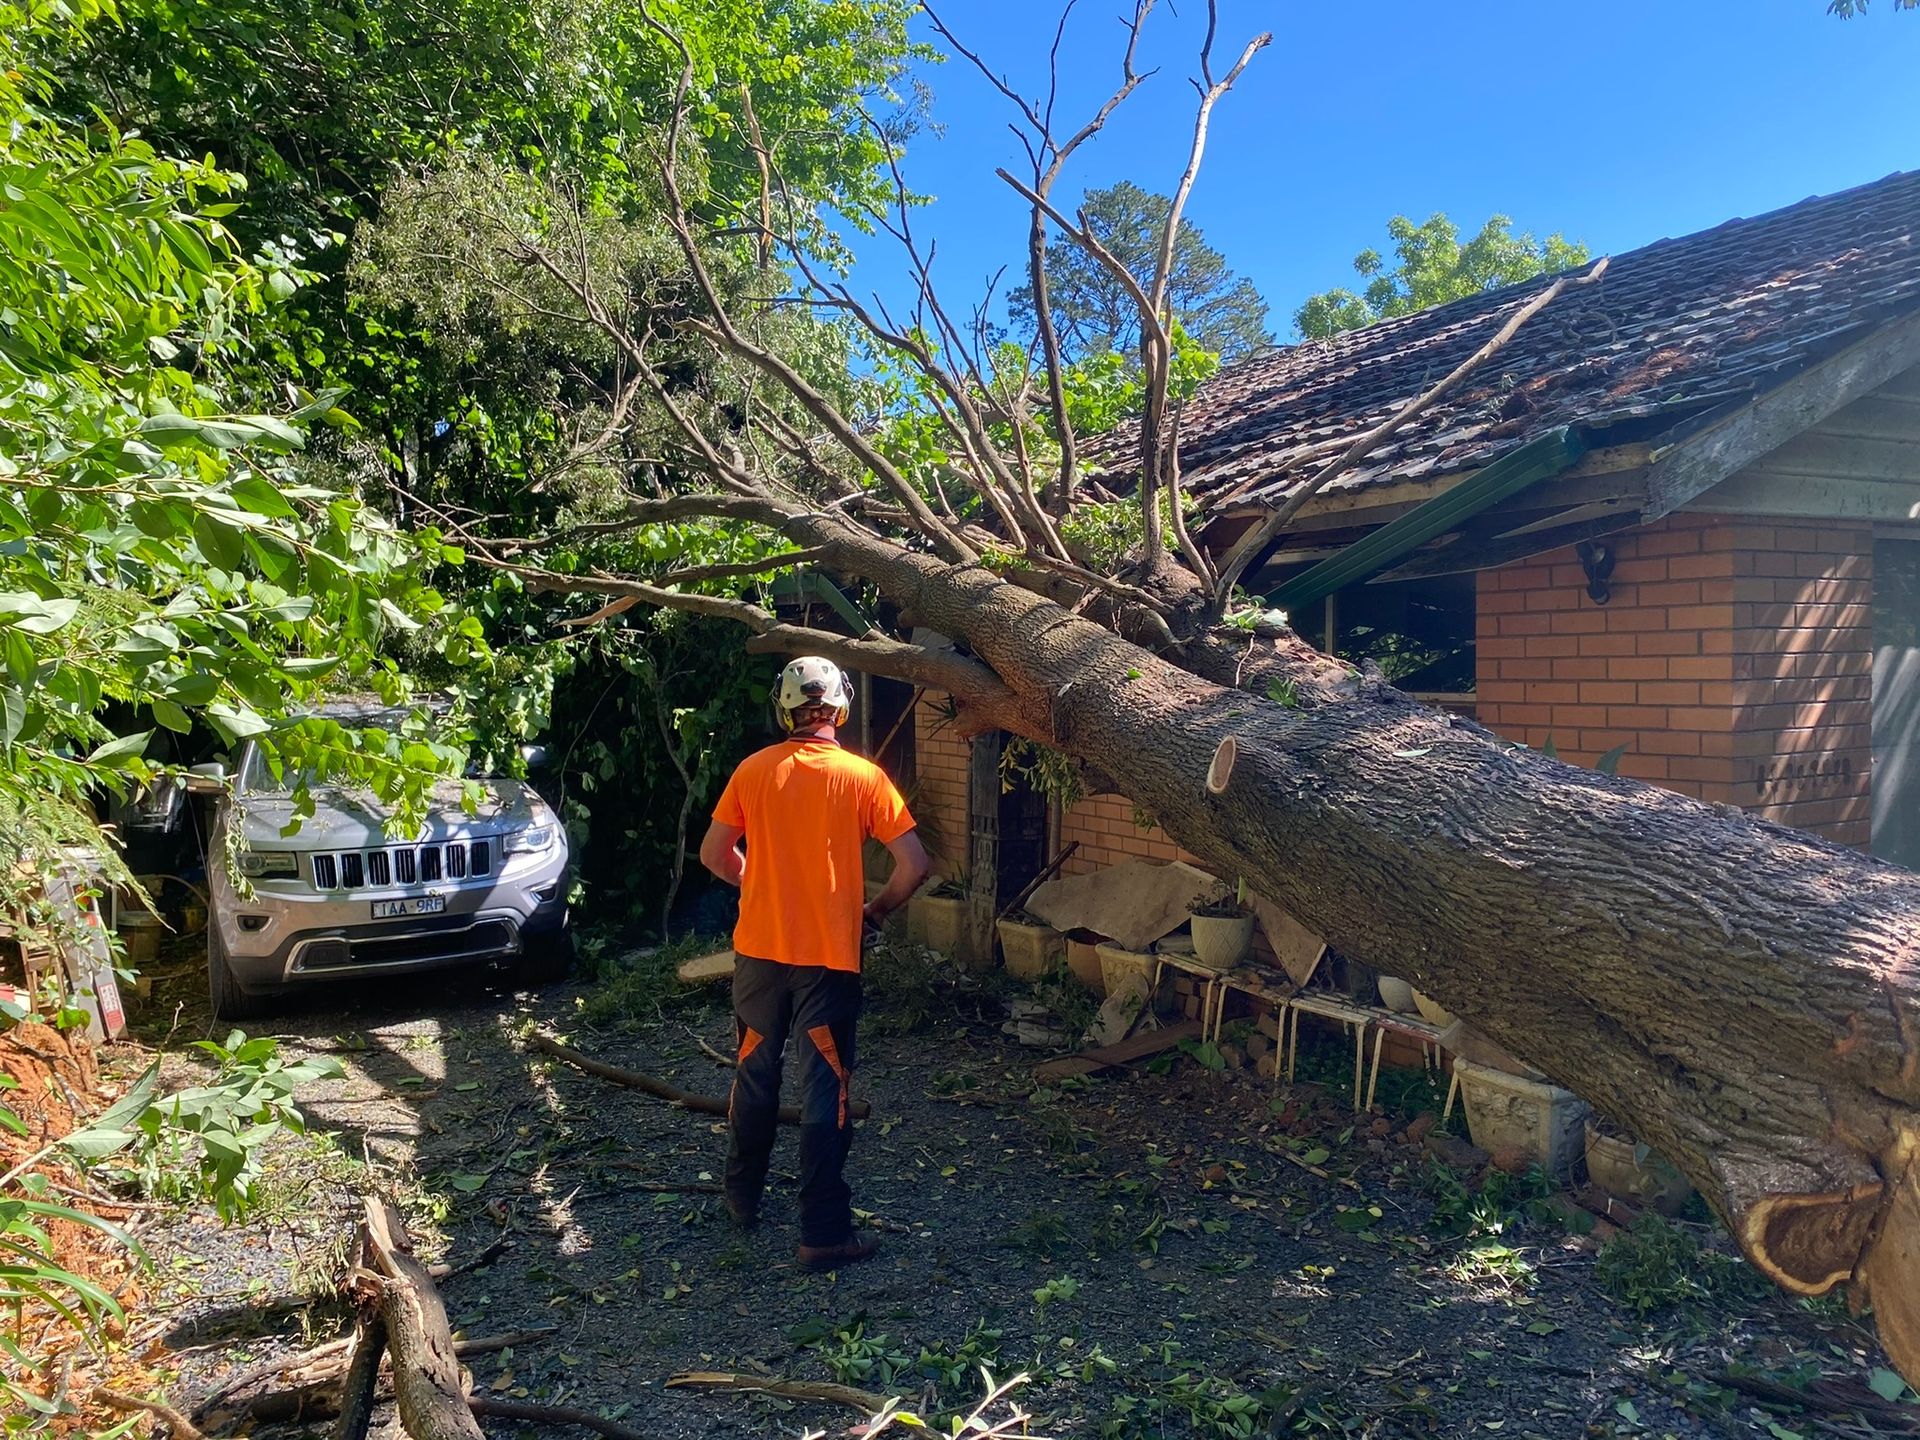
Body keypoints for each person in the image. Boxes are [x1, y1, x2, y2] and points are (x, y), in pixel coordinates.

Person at [698, 655, 929, 1269]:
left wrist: (754, 883)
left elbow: (716, 853)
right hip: (830, 958)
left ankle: (742, 1198)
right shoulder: (864, 777)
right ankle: (823, 1232)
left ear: (785, 707)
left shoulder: (752, 770)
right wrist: (873, 913)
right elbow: (915, 865)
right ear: (841, 706)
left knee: (754, 1071)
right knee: (825, 1086)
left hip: (758, 953)